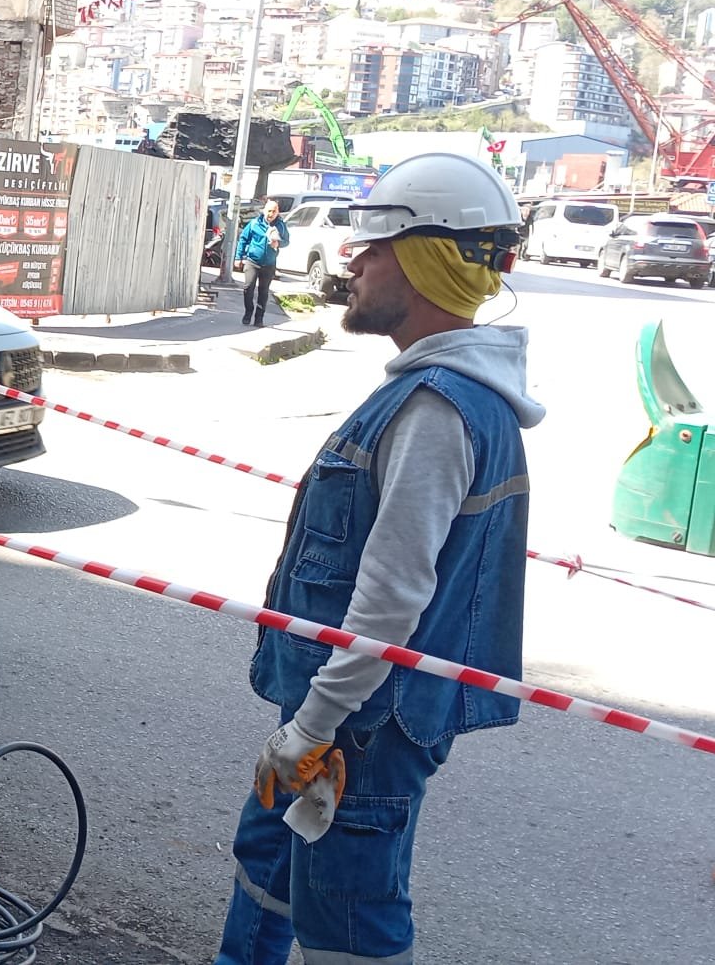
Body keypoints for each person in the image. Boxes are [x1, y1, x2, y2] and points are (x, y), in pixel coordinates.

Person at [215, 153, 542, 965]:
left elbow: (391, 600)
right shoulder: (438, 389)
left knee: (351, 925)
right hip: (339, 717)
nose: (351, 261)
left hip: (361, 729)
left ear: (428, 258)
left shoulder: (437, 408)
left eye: (374, 245)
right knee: (269, 866)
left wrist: (312, 729)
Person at [238, 200, 290, 326]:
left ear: (278, 212)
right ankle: (248, 312)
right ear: (264, 211)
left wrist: (278, 243)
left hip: (269, 263)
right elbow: (243, 239)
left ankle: (259, 318)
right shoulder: (255, 223)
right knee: (248, 288)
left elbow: (287, 241)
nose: (271, 214)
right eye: (269, 211)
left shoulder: (281, 226)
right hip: (252, 261)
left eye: (274, 211)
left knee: (264, 291)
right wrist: (238, 257)